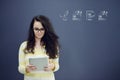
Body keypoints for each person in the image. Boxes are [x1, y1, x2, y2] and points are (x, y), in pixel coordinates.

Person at [18, 15, 60, 80]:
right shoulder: (24, 46)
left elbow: (57, 65)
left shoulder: (53, 45)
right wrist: (26, 69)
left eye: (42, 29)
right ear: (32, 29)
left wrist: (53, 67)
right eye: (36, 29)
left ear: (46, 29)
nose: (39, 32)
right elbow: (20, 67)